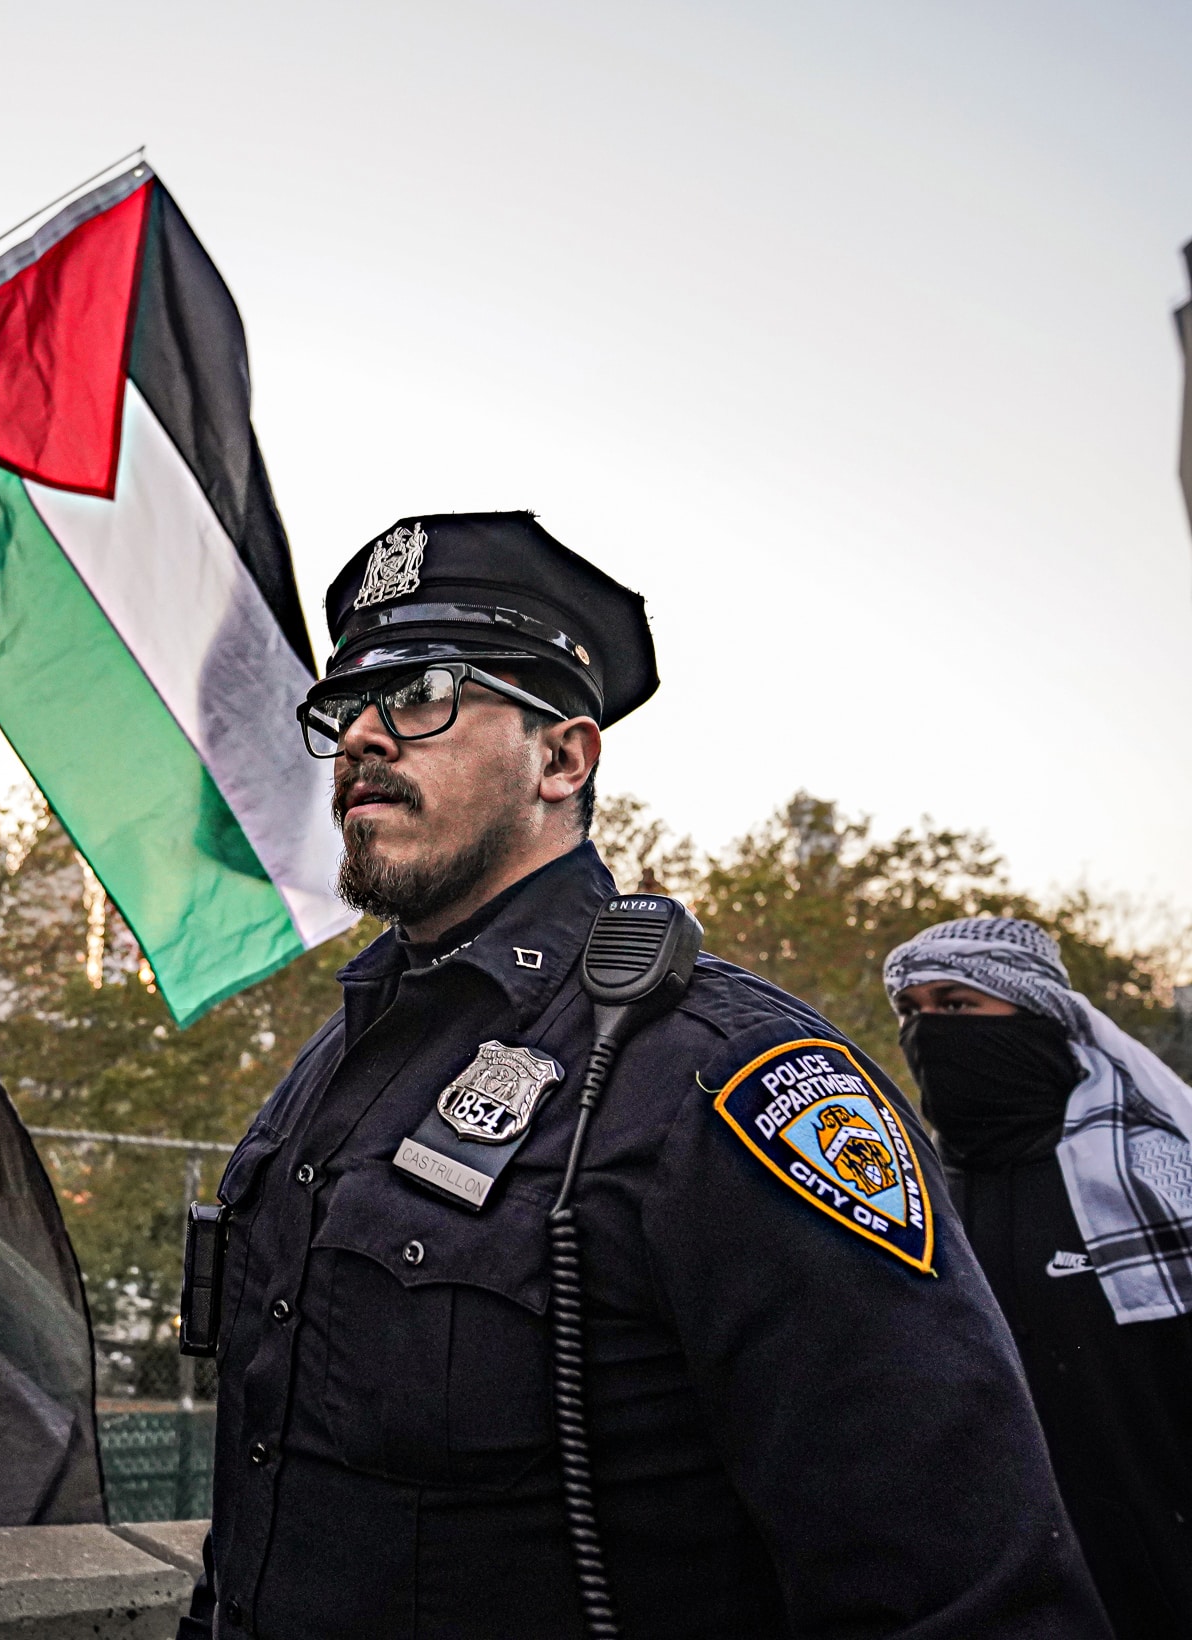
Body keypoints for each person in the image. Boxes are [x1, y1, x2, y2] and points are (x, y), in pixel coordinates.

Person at [179, 512, 1109, 1640]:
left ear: (562, 758)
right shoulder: (338, 1056)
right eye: (346, 708)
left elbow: (965, 1593)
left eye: (420, 692)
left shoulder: (731, 1077)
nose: (365, 735)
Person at [886, 918, 1192, 1639]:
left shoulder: (1159, 1178)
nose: (931, 1030)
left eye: (957, 1006)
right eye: (914, 1010)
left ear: (1036, 1018)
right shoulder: (919, 1193)